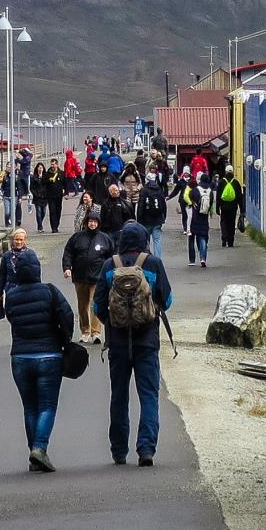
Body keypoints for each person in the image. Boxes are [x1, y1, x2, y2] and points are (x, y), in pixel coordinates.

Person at [94, 222, 173, 467]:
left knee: (119, 396)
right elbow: (167, 300)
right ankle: (146, 449)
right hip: (147, 340)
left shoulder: (110, 266)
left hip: (117, 342)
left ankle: (119, 451)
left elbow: (97, 306)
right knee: (148, 396)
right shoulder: (153, 264)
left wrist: (112, 322)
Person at [5, 252, 74, 472]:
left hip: (20, 356)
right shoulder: (50, 291)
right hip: (49, 354)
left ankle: (34, 452)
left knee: (30, 407)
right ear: (37, 270)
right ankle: (40, 447)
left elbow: (11, 318)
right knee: (47, 405)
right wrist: (65, 339)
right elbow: (67, 314)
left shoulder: (12, 296)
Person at [61, 204, 113, 343]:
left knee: (95, 304)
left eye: (95, 222)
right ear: (86, 222)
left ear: (98, 223)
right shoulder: (77, 237)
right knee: (82, 305)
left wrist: (110, 273)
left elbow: (111, 257)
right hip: (80, 277)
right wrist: (67, 267)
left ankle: (96, 332)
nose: (92, 224)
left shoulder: (104, 238)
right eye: (90, 221)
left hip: (98, 278)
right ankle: (85, 330)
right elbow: (68, 253)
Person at [0, 228, 37, 314]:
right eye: (16, 239)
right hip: (11, 291)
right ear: (13, 240)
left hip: (27, 291)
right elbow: (2, 276)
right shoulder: (7, 256)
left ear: (25, 240)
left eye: (21, 240)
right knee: (13, 315)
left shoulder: (31, 254)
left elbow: (36, 274)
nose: (19, 242)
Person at [136, 170, 167, 260]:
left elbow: (140, 206)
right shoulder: (159, 189)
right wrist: (163, 217)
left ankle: (147, 259)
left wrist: (139, 219)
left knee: (146, 240)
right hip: (157, 220)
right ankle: (158, 259)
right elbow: (163, 205)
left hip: (146, 220)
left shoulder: (144, 191)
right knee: (157, 240)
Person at [189, 172, 215, 267]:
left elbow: (190, 196)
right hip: (205, 217)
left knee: (195, 235)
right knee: (203, 237)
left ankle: (192, 259)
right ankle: (203, 258)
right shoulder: (210, 191)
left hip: (196, 217)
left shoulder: (196, 190)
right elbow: (211, 203)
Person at [216, 165, 245, 248]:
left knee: (223, 222)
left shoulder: (221, 182)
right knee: (231, 223)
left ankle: (224, 238)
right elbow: (240, 197)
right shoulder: (236, 183)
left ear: (225, 172)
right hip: (233, 207)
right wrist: (242, 209)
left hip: (224, 207)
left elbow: (218, 196)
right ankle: (231, 241)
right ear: (232, 172)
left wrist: (217, 207)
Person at [168, 166, 192, 235]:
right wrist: (169, 197)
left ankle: (189, 228)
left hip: (190, 200)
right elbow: (176, 191)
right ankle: (185, 228)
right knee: (184, 215)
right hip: (182, 200)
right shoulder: (181, 182)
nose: (186, 174)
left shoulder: (192, 181)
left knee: (190, 215)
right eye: (185, 173)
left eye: (187, 173)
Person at [45, 158, 65, 233]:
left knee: (58, 211)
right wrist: (48, 180)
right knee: (52, 211)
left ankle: (57, 225)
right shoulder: (47, 174)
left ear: (57, 164)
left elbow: (65, 183)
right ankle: (53, 227)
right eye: (51, 164)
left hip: (59, 196)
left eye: (54, 164)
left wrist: (66, 192)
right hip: (50, 196)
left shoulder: (61, 173)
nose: (52, 166)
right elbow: (44, 182)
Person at [30, 162, 48, 231]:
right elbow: (31, 187)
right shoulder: (34, 177)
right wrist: (35, 194)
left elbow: (47, 185)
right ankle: (40, 227)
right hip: (37, 197)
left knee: (43, 211)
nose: (40, 169)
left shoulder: (45, 177)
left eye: (41, 168)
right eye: (39, 167)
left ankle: (40, 223)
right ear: (37, 168)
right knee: (38, 211)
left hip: (45, 197)